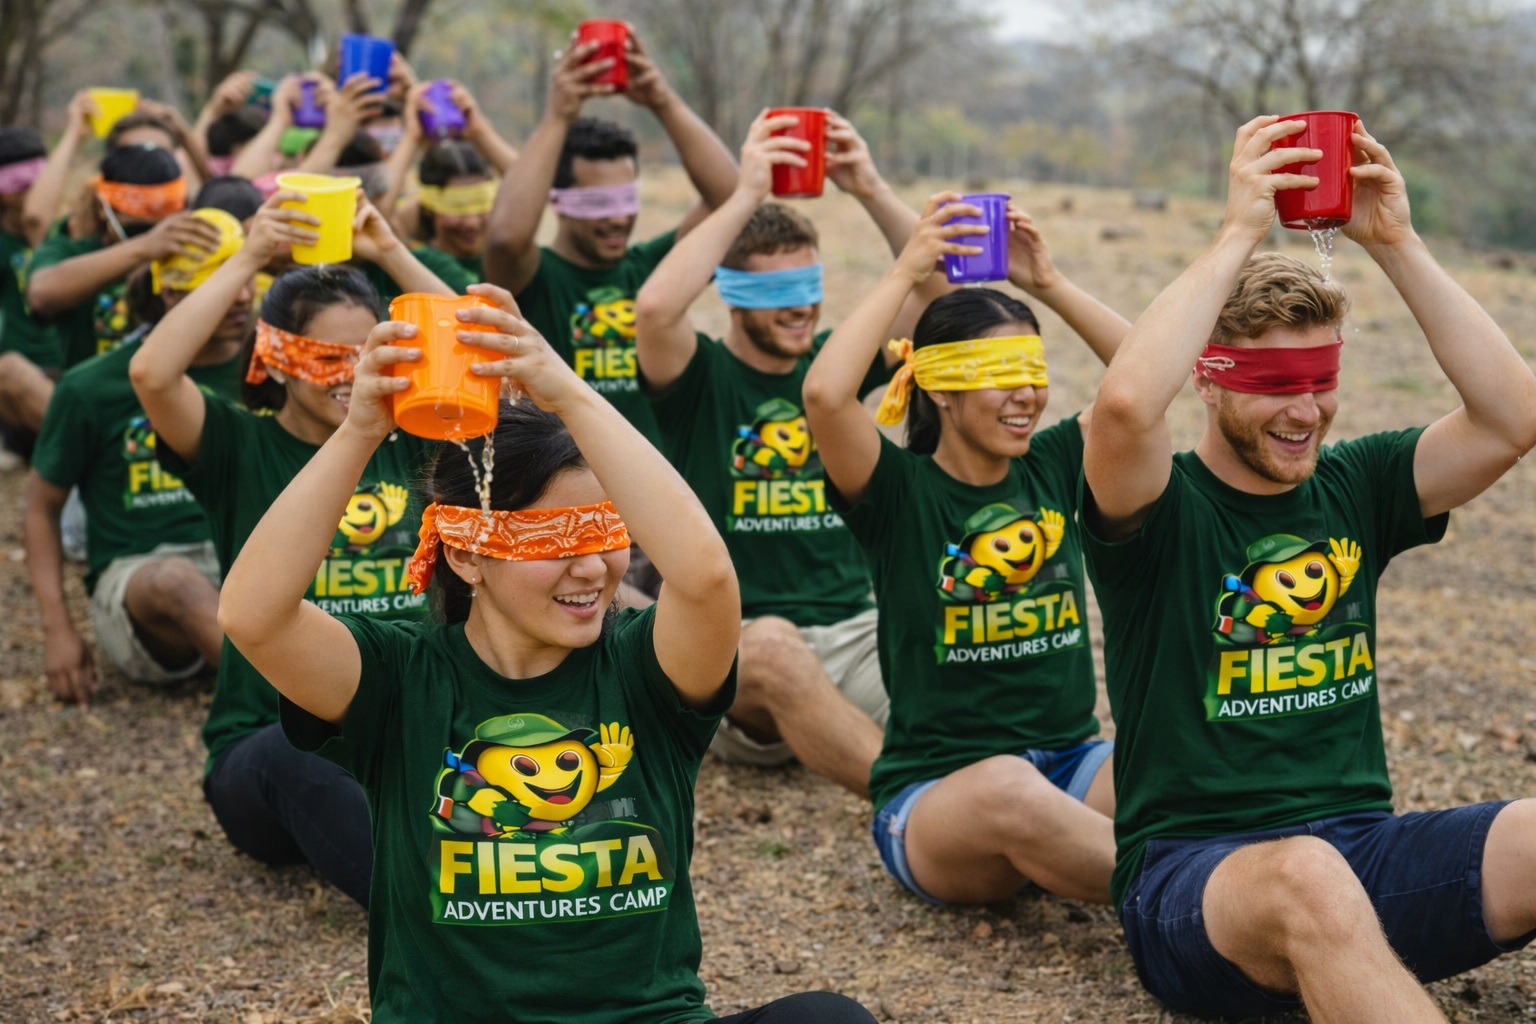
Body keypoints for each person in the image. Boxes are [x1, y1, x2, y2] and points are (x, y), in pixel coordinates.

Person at [214, 276, 877, 1024]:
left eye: (606, 534)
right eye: (552, 541)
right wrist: (359, 430)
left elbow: (706, 576)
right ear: (466, 558)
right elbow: (253, 614)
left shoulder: (645, 670)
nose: (592, 568)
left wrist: (568, 394)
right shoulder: (400, 678)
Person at [1079, 116, 1536, 1021]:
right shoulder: (1158, 508)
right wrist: (1238, 230)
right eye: (1271, 385)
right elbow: (1126, 405)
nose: (1306, 412)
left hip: (1362, 854)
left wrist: (1395, 242)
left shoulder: (1356, 484)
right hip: (1194, 886)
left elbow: (1509, 420)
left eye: (1319, 379)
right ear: (1207, 380)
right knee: (1308, 879)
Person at [802, 192, 1132, 905]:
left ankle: (1180, 874)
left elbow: (1146, 379)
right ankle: (1195, 894)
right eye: (997, 377)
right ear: (941, 389)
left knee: (1175, 751)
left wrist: (1047, 283)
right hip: (939, 798)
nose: (1026, 396)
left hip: (1075, 767)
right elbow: (826, 396)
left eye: (1032, 373)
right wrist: (907, 269)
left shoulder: (1051, 465)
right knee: (1010, 790)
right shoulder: (896, 492)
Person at [128, 191, 453, 906]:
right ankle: (440, 916)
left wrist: (391, 251)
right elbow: (152, 374)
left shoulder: (419, 442)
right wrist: (248, 255)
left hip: (409, 727)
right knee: (294, 749)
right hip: (268, 746)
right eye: (326, 357)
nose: (349, 374)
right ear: (275, 361)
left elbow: (476, 356)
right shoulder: (237, 448)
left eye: (366, 353)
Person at [633, 110, 937, 795]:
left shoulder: (836, 369)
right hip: (739, 646)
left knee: (956, 678)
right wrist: (745, 194)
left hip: (857, 630)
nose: (801, 308)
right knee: (772, 651)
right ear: (732, 297)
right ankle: (916, 802)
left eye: (809, 287)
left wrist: (867, 186)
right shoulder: (698, 380)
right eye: (775, 293)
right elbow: (652, 310)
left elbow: (942, 307)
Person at [22, 206, 248, 708]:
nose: (245, 296)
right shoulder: (93, 385)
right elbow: (40, 508)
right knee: (174, 581)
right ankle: (289, 709)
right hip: (143, 580)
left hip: (245, 563)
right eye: (219, 282)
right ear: (170, 293)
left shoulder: (268, 373)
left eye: (248, 276)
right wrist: (57, 631)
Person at [483, 27, 737, 446]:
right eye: (598, 203)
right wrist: (557, 117)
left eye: (626, 199)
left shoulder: (653, 271)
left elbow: (731, 201)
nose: (618, 218)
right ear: (560, 201)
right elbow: (505, 239)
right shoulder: (533, 278)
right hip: (562, 481)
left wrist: (661, 99)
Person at [26, 144, 220, 371]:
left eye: (163, 227)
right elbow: (42, 294)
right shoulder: (71, 250)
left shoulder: (192, 249)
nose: (155, 237)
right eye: (138, 229)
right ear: (102, 209)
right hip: (97, 396)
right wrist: (144, 247)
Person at [0, 125, 65, 448]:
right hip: (20, 381)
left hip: (68, 371)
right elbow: (34, 220)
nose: (32, 192)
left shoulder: (66, 234)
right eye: (20, 184)